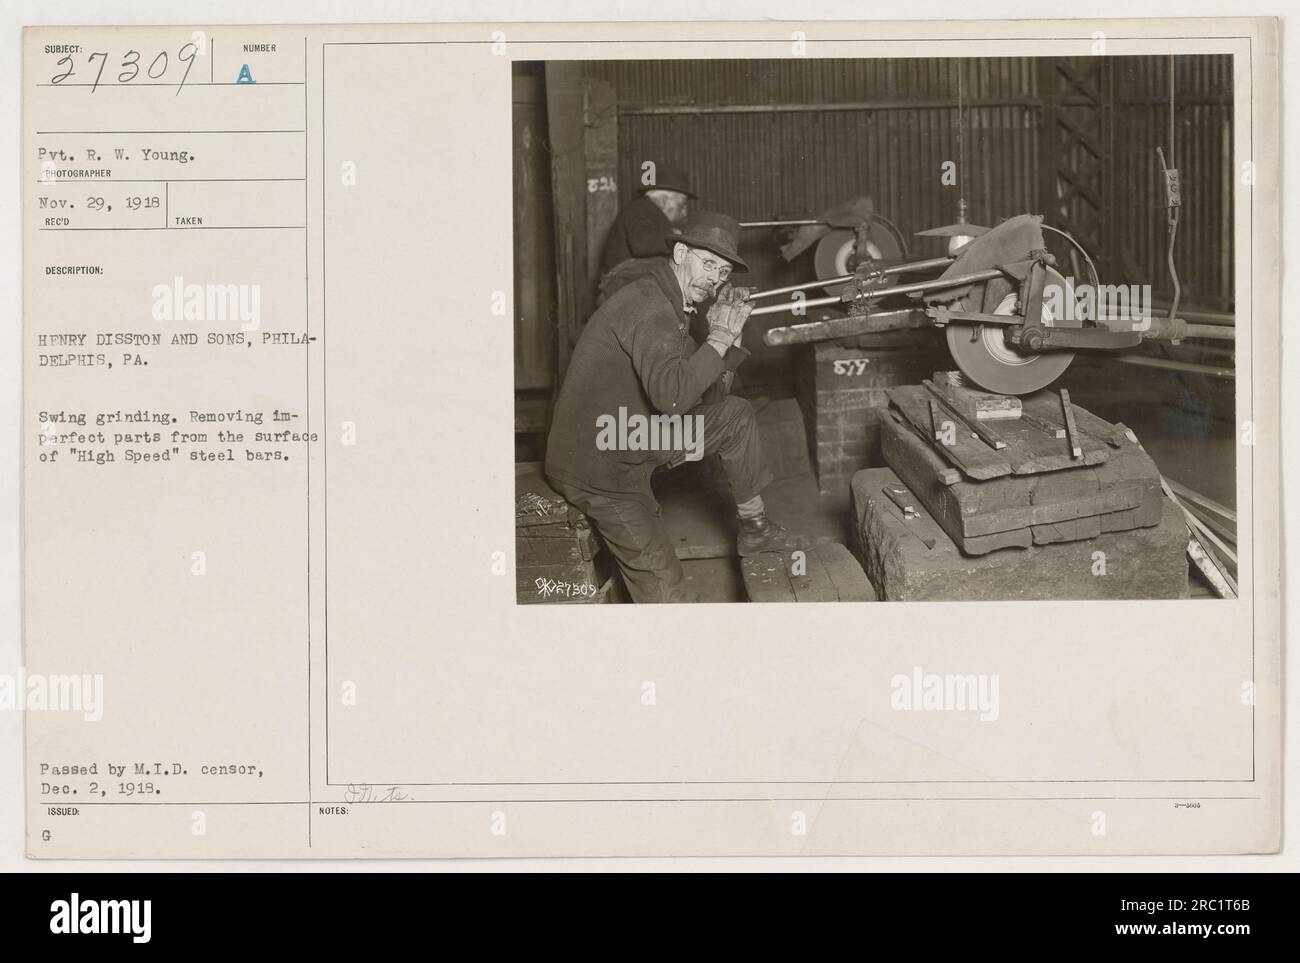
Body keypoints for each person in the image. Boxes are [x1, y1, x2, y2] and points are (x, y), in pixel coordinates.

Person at [546, 211, 812, 603]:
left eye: (723, 272)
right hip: (600, 466)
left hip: (630, 433)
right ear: (681, 253)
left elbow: (708, 396)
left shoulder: (672, 300)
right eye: (708, 264)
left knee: (735, 417)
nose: (715, 279)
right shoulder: (651, 307)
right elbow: (671, 399)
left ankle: (755, 528)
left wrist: (729, 340)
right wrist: (718, 338)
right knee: (664, 587)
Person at [597, 161, 693, 302]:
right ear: (664, 201)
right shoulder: (640, 209)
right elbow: (642, 244)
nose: (685, 212)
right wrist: (676, 238)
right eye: (682, 205)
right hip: (622, 288)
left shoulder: (650, 213)